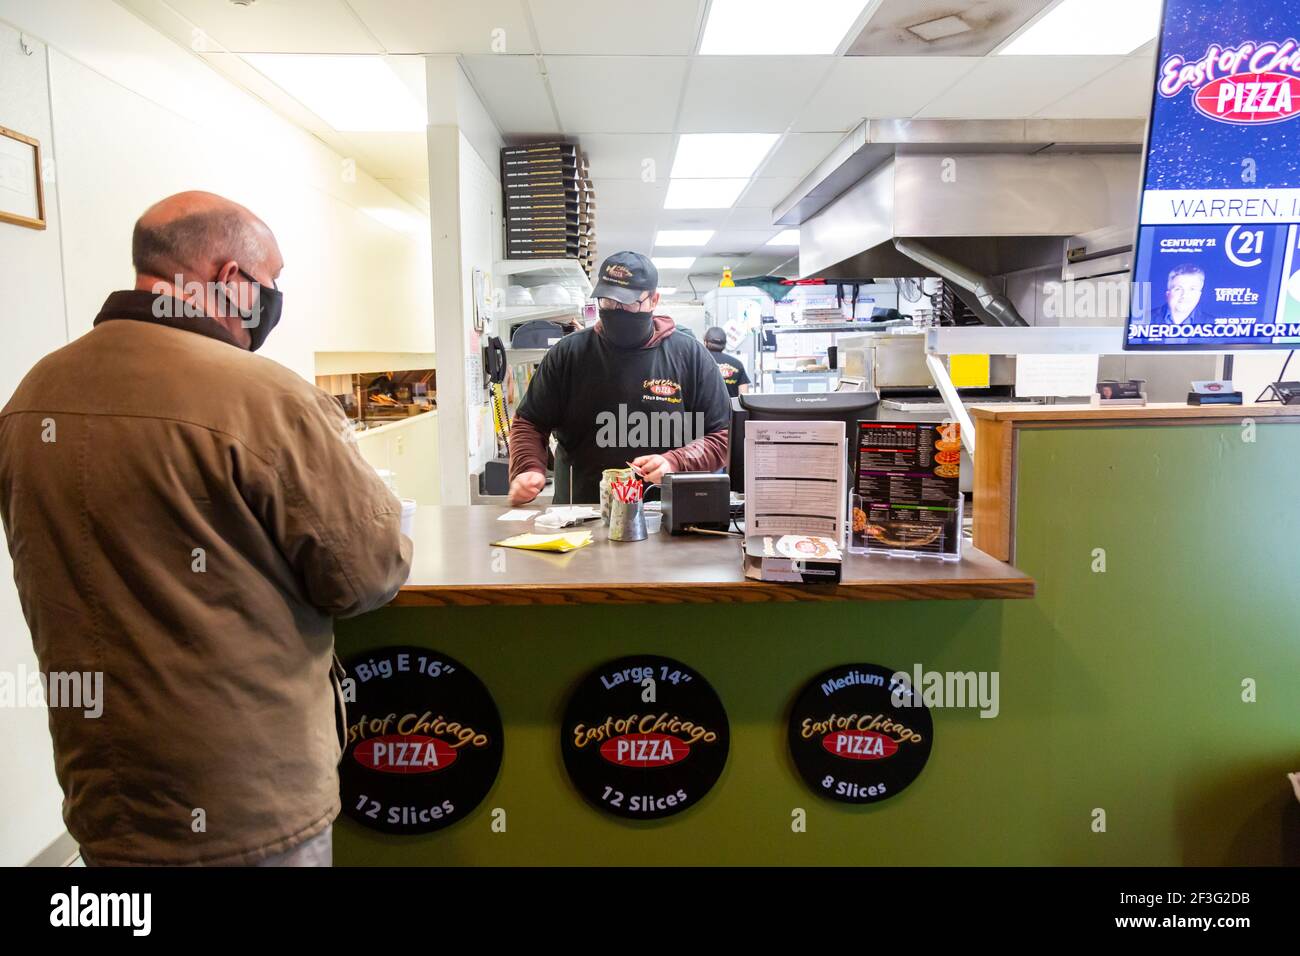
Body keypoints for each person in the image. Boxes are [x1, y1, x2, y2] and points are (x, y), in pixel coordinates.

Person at [0, 191, 412, 866]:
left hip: (107, 797)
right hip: (250, 799)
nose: (275, 299)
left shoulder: (32, 396)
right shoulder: (263, 397)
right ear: (229, 280)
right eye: (272, 282)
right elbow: (368, 573)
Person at [508, 251, 731, 505]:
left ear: (654, 300)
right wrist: (528, 467)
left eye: (629, 303)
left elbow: (723, 436)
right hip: (581, 516)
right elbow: (529, 422)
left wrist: (676, 461)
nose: (617, 310)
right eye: (609, 302)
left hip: (667, 518)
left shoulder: (690, 356)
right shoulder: (568, 354)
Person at [1149, 263, 1215, 326]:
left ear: (1199, 295)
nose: (1185, 295)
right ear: (1168, 293)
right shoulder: (1145, 319)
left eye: (1192, 289)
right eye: (1178, 289)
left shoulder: (1213, 323)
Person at [703, 326, 751, 398]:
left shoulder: (697, 363)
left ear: (705, 342)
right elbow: (744, 396)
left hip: (703, 409)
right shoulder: (737, 364)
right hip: (730, 408)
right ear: (725, 344)